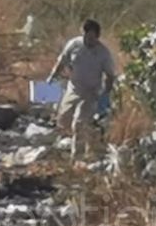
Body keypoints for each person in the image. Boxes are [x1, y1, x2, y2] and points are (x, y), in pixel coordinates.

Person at [47, 19, 116, 157]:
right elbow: (62, 61)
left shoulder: (103, 53)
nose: (89, 40)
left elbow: (110, 75)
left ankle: (77, 156)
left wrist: (105, 94)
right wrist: (52, 77)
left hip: (91, 91)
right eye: (86, 36)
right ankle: (93, 133)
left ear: (97, 36)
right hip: (73, 88)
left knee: (79, 123)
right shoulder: (74, 45)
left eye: (92, 37)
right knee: (63, 120)